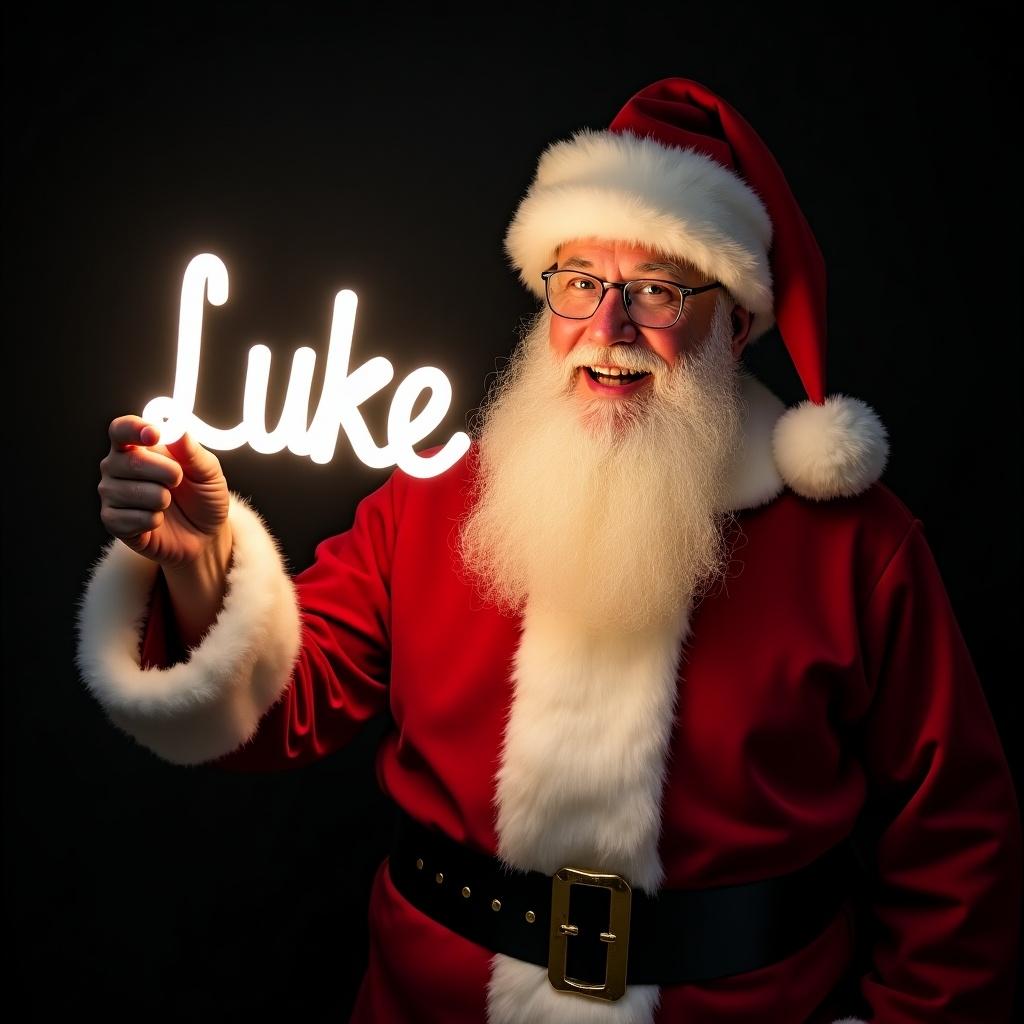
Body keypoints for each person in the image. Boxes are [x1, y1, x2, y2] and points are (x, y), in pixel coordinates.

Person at [76, 78, 1021, 1024]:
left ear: (735, 320)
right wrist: (200, 561)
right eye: (580, 283)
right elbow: (284, 707)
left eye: (657, 288)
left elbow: (957, 838)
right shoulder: (436, 495)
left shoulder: (857, 545)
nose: (608, 329)